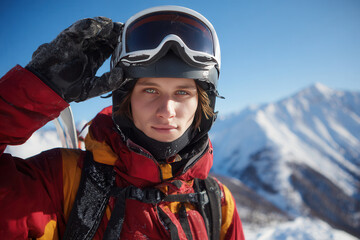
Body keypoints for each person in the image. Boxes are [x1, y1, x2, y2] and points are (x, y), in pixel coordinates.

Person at [0, 6, 245, 240]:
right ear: (125, 100)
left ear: (203, 103)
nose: (166, 111)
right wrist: (36, 89)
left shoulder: (217, 203)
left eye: (182, 92)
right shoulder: (63, 183)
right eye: (150, 90)